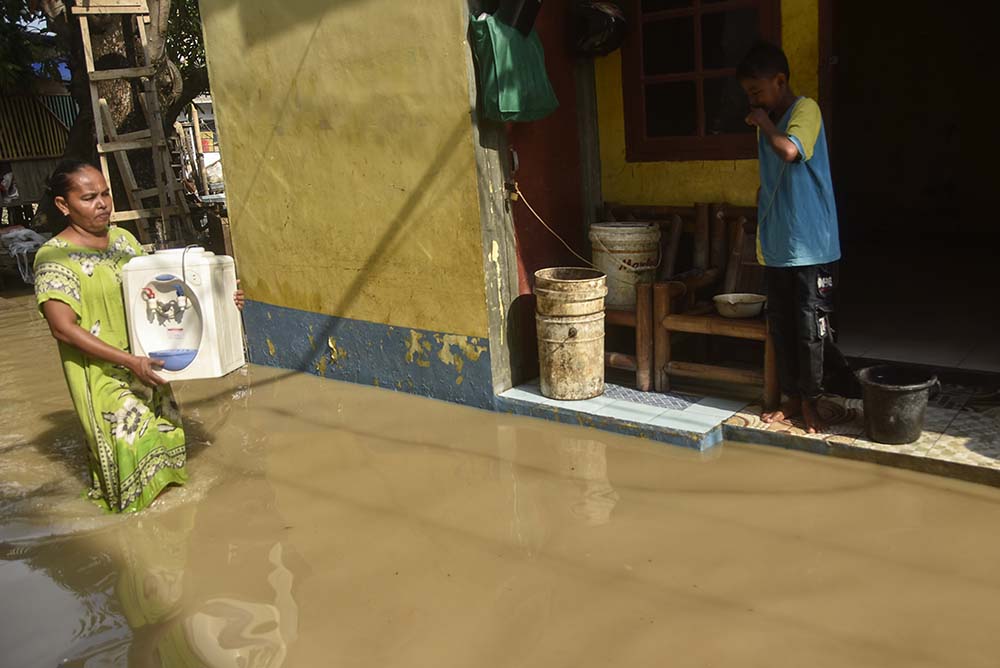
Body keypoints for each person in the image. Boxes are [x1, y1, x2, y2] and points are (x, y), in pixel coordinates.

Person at [32, 160, 243, 512]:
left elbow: (160, 293)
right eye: (88, 198)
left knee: (168, 447)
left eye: (104, 194)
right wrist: (129, 361)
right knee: (135, 446)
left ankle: (170, 545)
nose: (102, 203)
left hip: (148, 366)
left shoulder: (124, 241)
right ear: (63, 205)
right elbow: (62, 328)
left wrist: (222, 300)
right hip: (102, 375)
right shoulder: (53, 257)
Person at [738, 42, 854, 434]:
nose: (753, 100)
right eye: (749, 94)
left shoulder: (806, 110)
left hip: (810, 242)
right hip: (779, 244)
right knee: (782, 324)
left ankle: (813, 402)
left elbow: (789, 150)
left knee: (810, 325)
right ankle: (792, 398)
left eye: (757, 91)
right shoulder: (767, 121)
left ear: (780, 81)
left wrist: (765, 122)